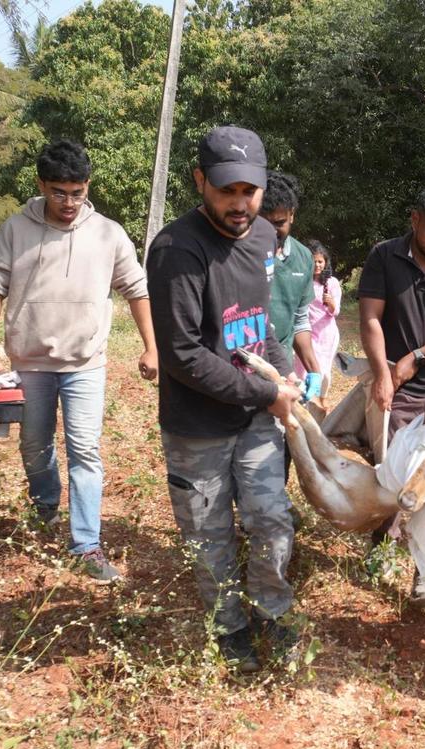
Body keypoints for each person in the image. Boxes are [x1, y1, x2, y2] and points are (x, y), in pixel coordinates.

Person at [145, 126, 302, 674]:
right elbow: (184, 355)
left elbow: (258, 327)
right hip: (197, 425)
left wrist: (285, 375)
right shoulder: (174, 250)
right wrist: (268, 392)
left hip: (255, 414)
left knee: (272, 518)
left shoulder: (261, 236)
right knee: (208, 536)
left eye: (250, 191)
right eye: (227, 190)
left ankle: (271, 609)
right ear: (200, 182)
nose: (240, 204)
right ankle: (228, 624)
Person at [0, 140, 157, 584]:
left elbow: (137, 289)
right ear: (41, 185)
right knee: (34, 445)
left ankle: (87, 544)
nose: (69, 202)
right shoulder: (16, 230)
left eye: (77, 192)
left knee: (85, 451)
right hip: (30, 362)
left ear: (87, 186)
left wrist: (151, 346)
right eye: (59, 192)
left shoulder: (108, 233)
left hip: (85, 364)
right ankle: (44, 508)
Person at [358, 184, 425, 606]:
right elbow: (370, 319)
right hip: (396, 391)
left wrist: (417, 358)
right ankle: (382, 547)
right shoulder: (384, 256)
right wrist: (384, 371)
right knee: (394, 472)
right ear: (414, 218)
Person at [261, 171, 323, 401]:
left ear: (292, 216)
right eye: (263, 223)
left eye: (279, 223)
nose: (271, 232)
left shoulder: (303, 258)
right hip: (243, 369)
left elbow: (300, 320)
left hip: (283, 375)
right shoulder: (239, 253)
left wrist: (314, 370)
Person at [293, 241, 341, 409]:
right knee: (305, 369)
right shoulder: (300, 280)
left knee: (324, 371)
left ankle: (323, 398)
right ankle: (305, 401)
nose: (317, 265)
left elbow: (336, 312)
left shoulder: (332, 283)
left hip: (327, 334)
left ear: (325, 262)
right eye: (313, 261)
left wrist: (331, 304)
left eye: (320, 261)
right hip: (306, 333)